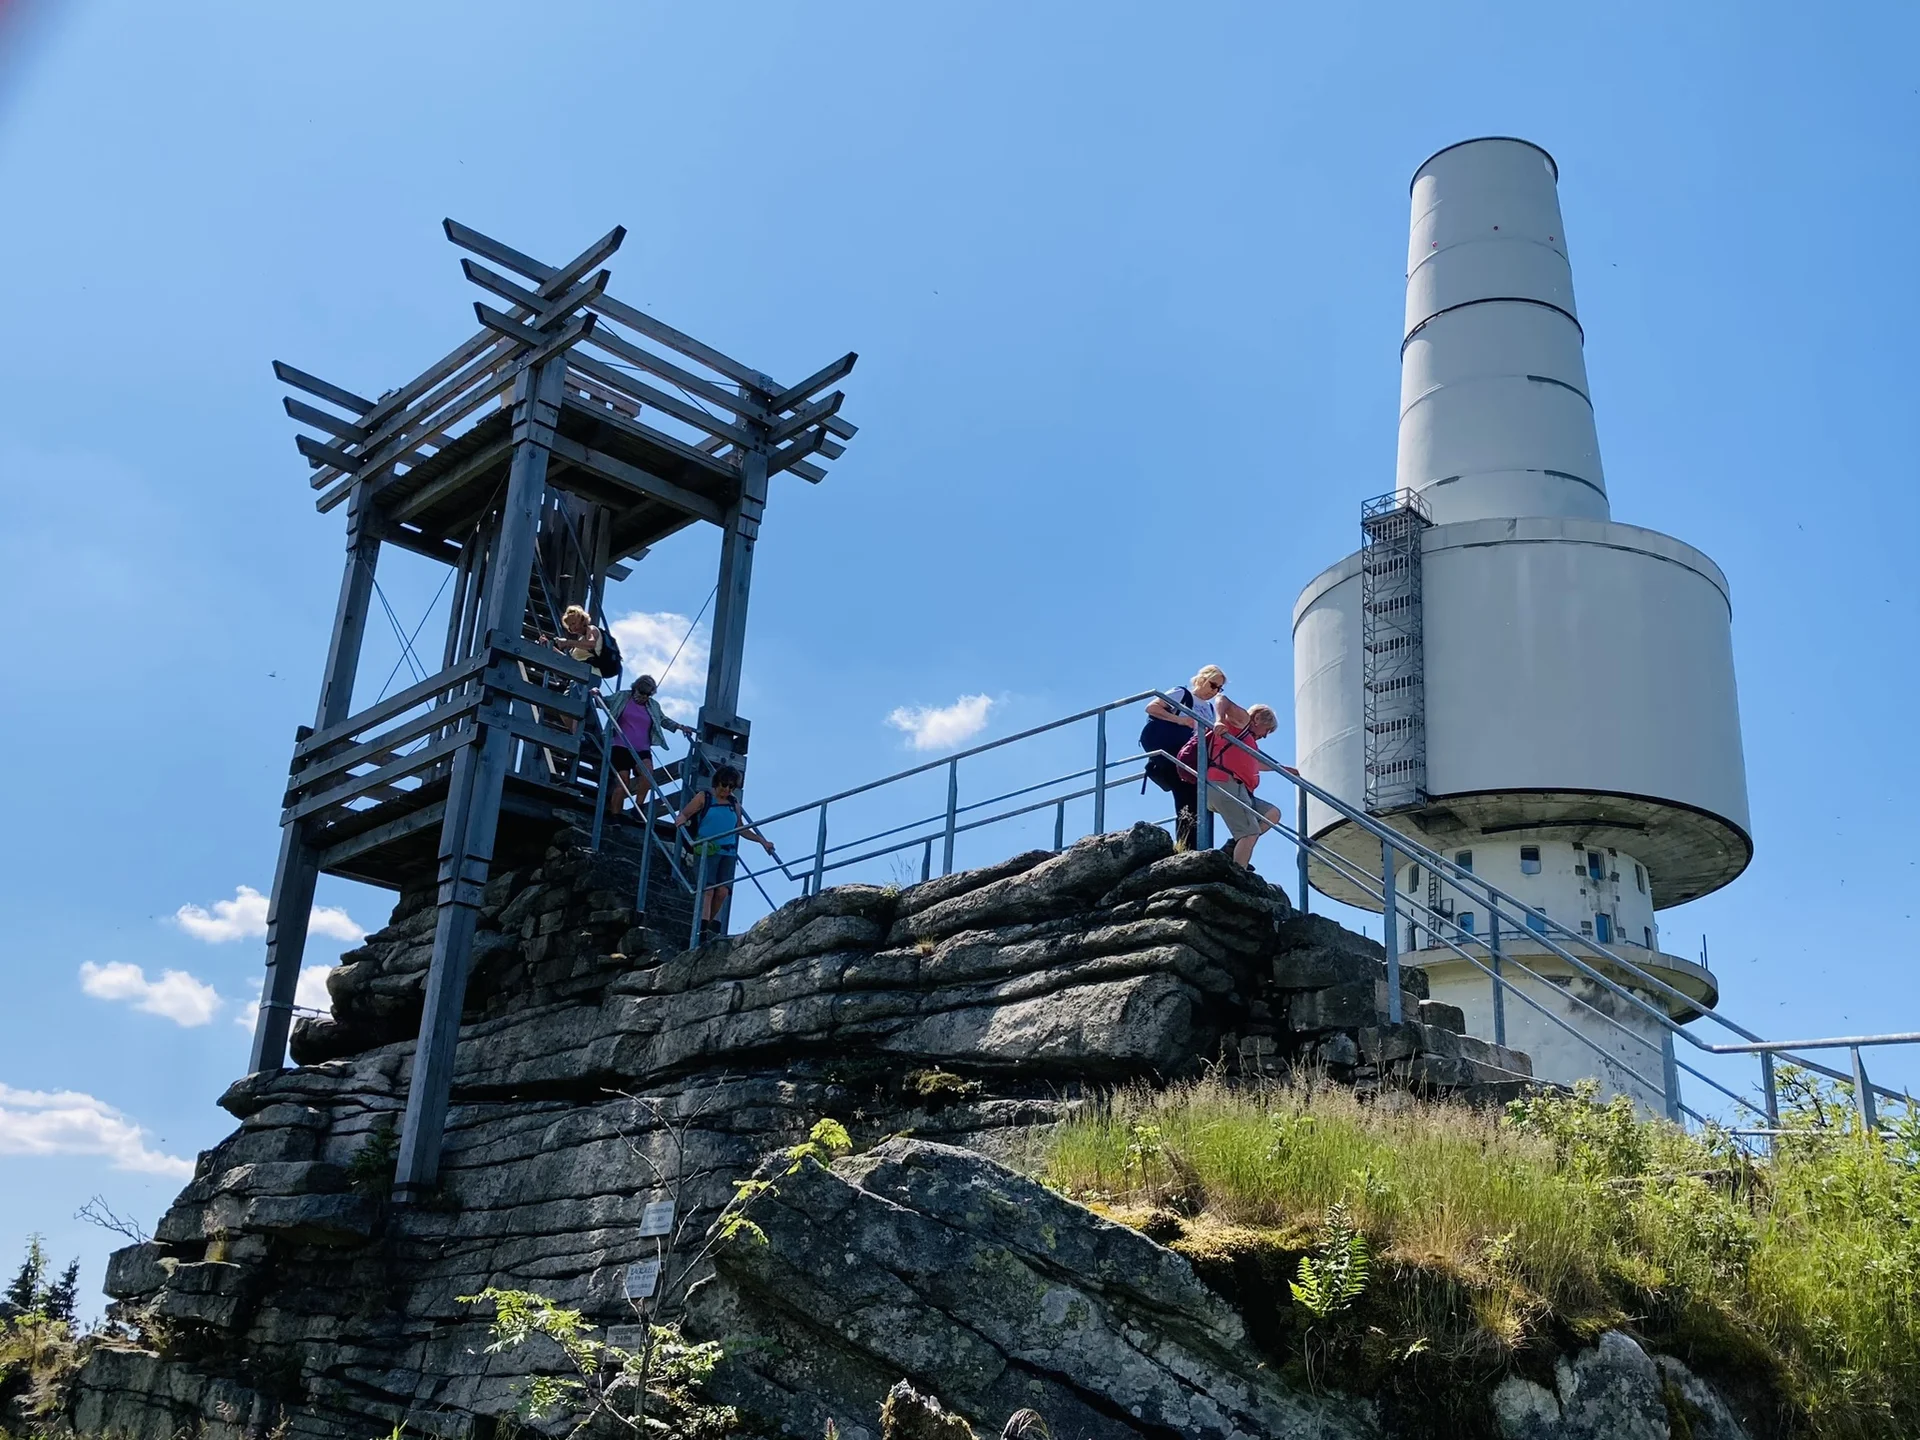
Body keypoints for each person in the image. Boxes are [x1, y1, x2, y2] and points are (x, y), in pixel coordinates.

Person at [1141, 666, 1249, 851]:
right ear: (1202, 679)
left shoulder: (1209, 708)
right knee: (1187, 795)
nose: (1214, 691)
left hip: (1191, 757)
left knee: (1196, 798)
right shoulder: (1181, 693)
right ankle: (1187, 847)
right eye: (1213, 685)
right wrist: (1181, 720)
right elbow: (1151, 707)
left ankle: (1194, 846)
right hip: (1174, 750)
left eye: (1219, 688)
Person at [676, 765, 776, 931]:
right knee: (708, 890)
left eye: (731, 786)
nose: (727, 789)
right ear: (717, 782)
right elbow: (685, 813)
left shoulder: (733, 802)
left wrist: (762, 841)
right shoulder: (704, 797)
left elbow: (740, 828)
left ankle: (705, 925)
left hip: (728, 852)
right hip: (707, 849)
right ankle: (700, 931)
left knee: (722, 892)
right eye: (724, 784)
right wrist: (681, 818)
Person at [1194, 703, 1286, 870]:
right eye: (1267, 730)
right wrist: (1220, 720)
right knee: (1250, 833)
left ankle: (1233, 847)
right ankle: (1237, 873)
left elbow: (1257, 763)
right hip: (1224, 784)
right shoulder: (1242, 721)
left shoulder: (1248, 741)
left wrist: (1284, 770)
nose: (1265, 736)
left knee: (1271, 814)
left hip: (1240, 790)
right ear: (1257, 718)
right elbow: (1223, 699)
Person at [604, 675, 694, 818]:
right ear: (635, 689)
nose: (644, 697)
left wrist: (680, 727)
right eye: (641, 693)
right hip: (620, 746)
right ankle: (614, 815)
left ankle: (638, 807)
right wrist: (595, 693)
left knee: (648, 773)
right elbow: (605, 701)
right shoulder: (622, 697)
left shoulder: (653, 706)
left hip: (642, 749)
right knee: (623, 781)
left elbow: (663, 720)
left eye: (648, 694)